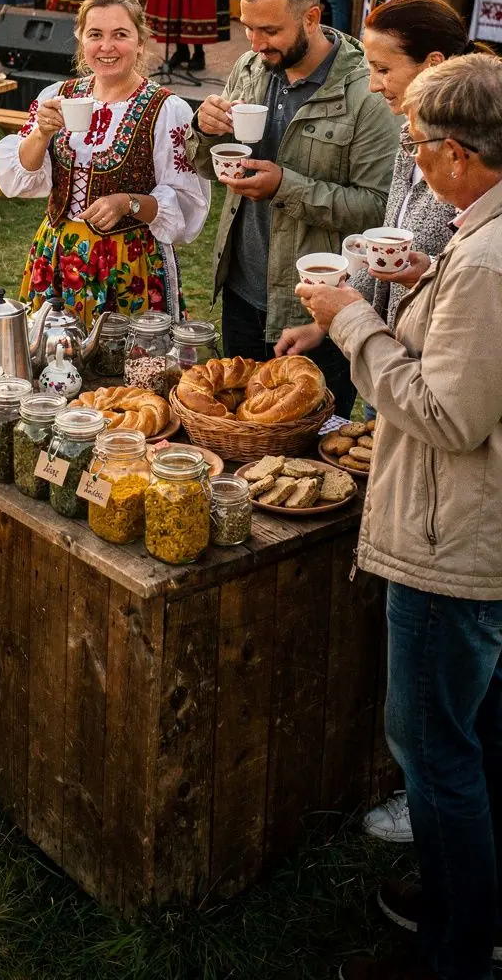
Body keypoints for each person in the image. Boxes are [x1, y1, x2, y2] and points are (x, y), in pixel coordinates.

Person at [294, 54, 502, 980]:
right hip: (469, 524)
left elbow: (452, 415)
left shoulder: (490, 260)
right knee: (476, 738)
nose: (412, 160)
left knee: (434, 753)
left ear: (459, 153)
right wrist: (424, 282)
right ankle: (469, 903)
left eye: (419, 145)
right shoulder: (478, 236)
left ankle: (455, 953)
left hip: (448, 539)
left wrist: (352, 320)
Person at [183, 0, 397, 417]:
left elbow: (380, 210)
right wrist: (204, 128)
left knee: (305, 456)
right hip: (241, 290)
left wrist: (285, 186)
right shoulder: (250, 66)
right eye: (248, 27)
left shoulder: (366, 95)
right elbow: (204, 164)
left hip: (314, 307)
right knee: (239, 431)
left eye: (270, 31)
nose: (256, 43)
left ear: (312, 18)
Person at [0, 0, 210, 328]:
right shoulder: (57, 96)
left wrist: (128, 202)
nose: (106, 47)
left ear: (140, 42)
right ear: (81, 39)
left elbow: (186, 204)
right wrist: (41, 131)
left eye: (120, 35)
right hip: (57, 254)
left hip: (131, 262)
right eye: (95, 34)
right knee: (54, 362)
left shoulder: (168, 110)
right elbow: (22, 177)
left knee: (128, 370)